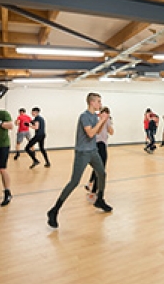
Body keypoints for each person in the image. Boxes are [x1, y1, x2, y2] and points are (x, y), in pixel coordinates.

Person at [47, 93, 112, 229]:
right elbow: (90, 133)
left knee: (102, 174)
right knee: (74, 182)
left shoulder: (95, 116)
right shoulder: (84, 116)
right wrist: (101, 121)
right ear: (92, 103)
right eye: (99, 102)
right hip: (82, 153)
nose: (100, 104)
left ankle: (100, 200)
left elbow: (97, 132)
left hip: (93, 151)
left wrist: (103, 121)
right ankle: (54, 210)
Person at [86, 107, 114, 202]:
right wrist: (102, 121)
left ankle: (92, 186)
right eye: (104, 113)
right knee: (99, 169)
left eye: (107, 113)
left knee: (100, 168)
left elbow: (111, 132)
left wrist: (108, 123)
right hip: (97, 145)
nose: (105, 115)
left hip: (103, 145)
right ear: (100, 113)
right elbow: (95, 132)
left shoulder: (107, 120)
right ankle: (93, 192)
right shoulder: (97, 120)